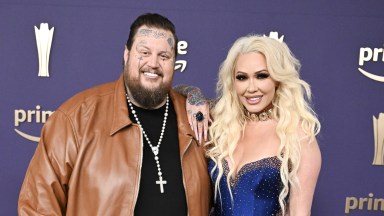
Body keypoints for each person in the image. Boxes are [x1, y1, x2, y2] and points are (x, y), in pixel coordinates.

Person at [18, 13, 211, 216]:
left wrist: (194, 92)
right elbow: (37, 208)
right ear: (126, 54)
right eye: (144, 52)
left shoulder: (196, 121)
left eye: (164, 56)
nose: (153, 63)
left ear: (174, 63)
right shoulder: (75, 117)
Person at [185, 35, 321, 215]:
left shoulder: (298, 134)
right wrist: (194, 95)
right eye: (242, 78)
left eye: (261, 76)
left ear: (278, 79)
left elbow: (299, 212)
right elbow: (175, 94)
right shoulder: (222, 121)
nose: (251, 88)